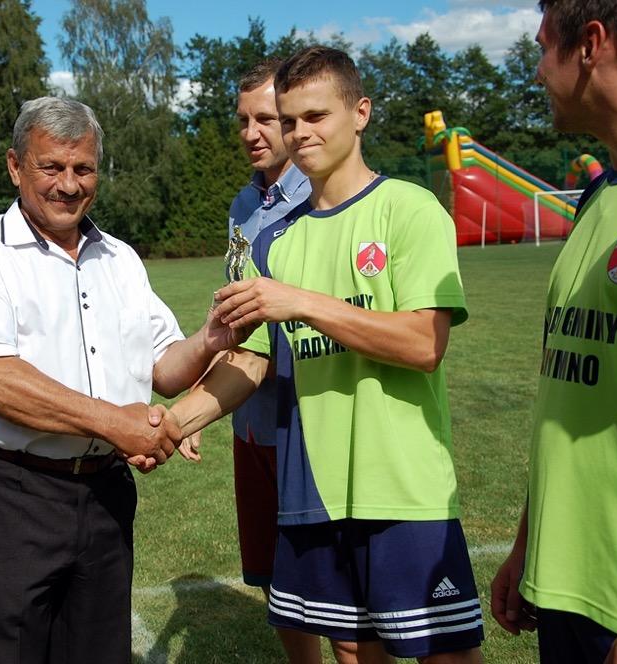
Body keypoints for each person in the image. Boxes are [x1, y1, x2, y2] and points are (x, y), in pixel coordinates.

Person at [168, 46, 484, 664]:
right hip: (311, 492)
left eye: (316, 116)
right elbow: (251, 361)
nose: (299, 133)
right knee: (352, 651)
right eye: (289, 120)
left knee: (446, 656)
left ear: (360, 112)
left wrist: (305, 302)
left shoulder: (409, 208)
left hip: (402, 491)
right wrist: (172, 422)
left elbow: (424, 343)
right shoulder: (276, 242)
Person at [0, 96, 241, 663]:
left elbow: (164, 368)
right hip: (14, 496)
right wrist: (116, 424)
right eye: (51, 167)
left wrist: (209, 339)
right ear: (15, 166)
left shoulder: (121, 259)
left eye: (84, 168)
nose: (69, 185)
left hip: (106, 495)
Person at [490, 2, 617, 662]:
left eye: (543, 47)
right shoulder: (599, 196)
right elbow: (572, 390)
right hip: (569, 587)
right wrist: (530, 542)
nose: (537, 70)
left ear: (591, 45)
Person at [180, 58, 318, 664]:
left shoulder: (324, 196)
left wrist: (187, 413)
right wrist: (199, 403)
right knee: (275, 583)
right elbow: (238, 325)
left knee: (338, 602)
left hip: (310, 424)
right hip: (251, 422)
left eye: (265, 118)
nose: (251, 132)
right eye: (243, 120)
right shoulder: (242, 204)